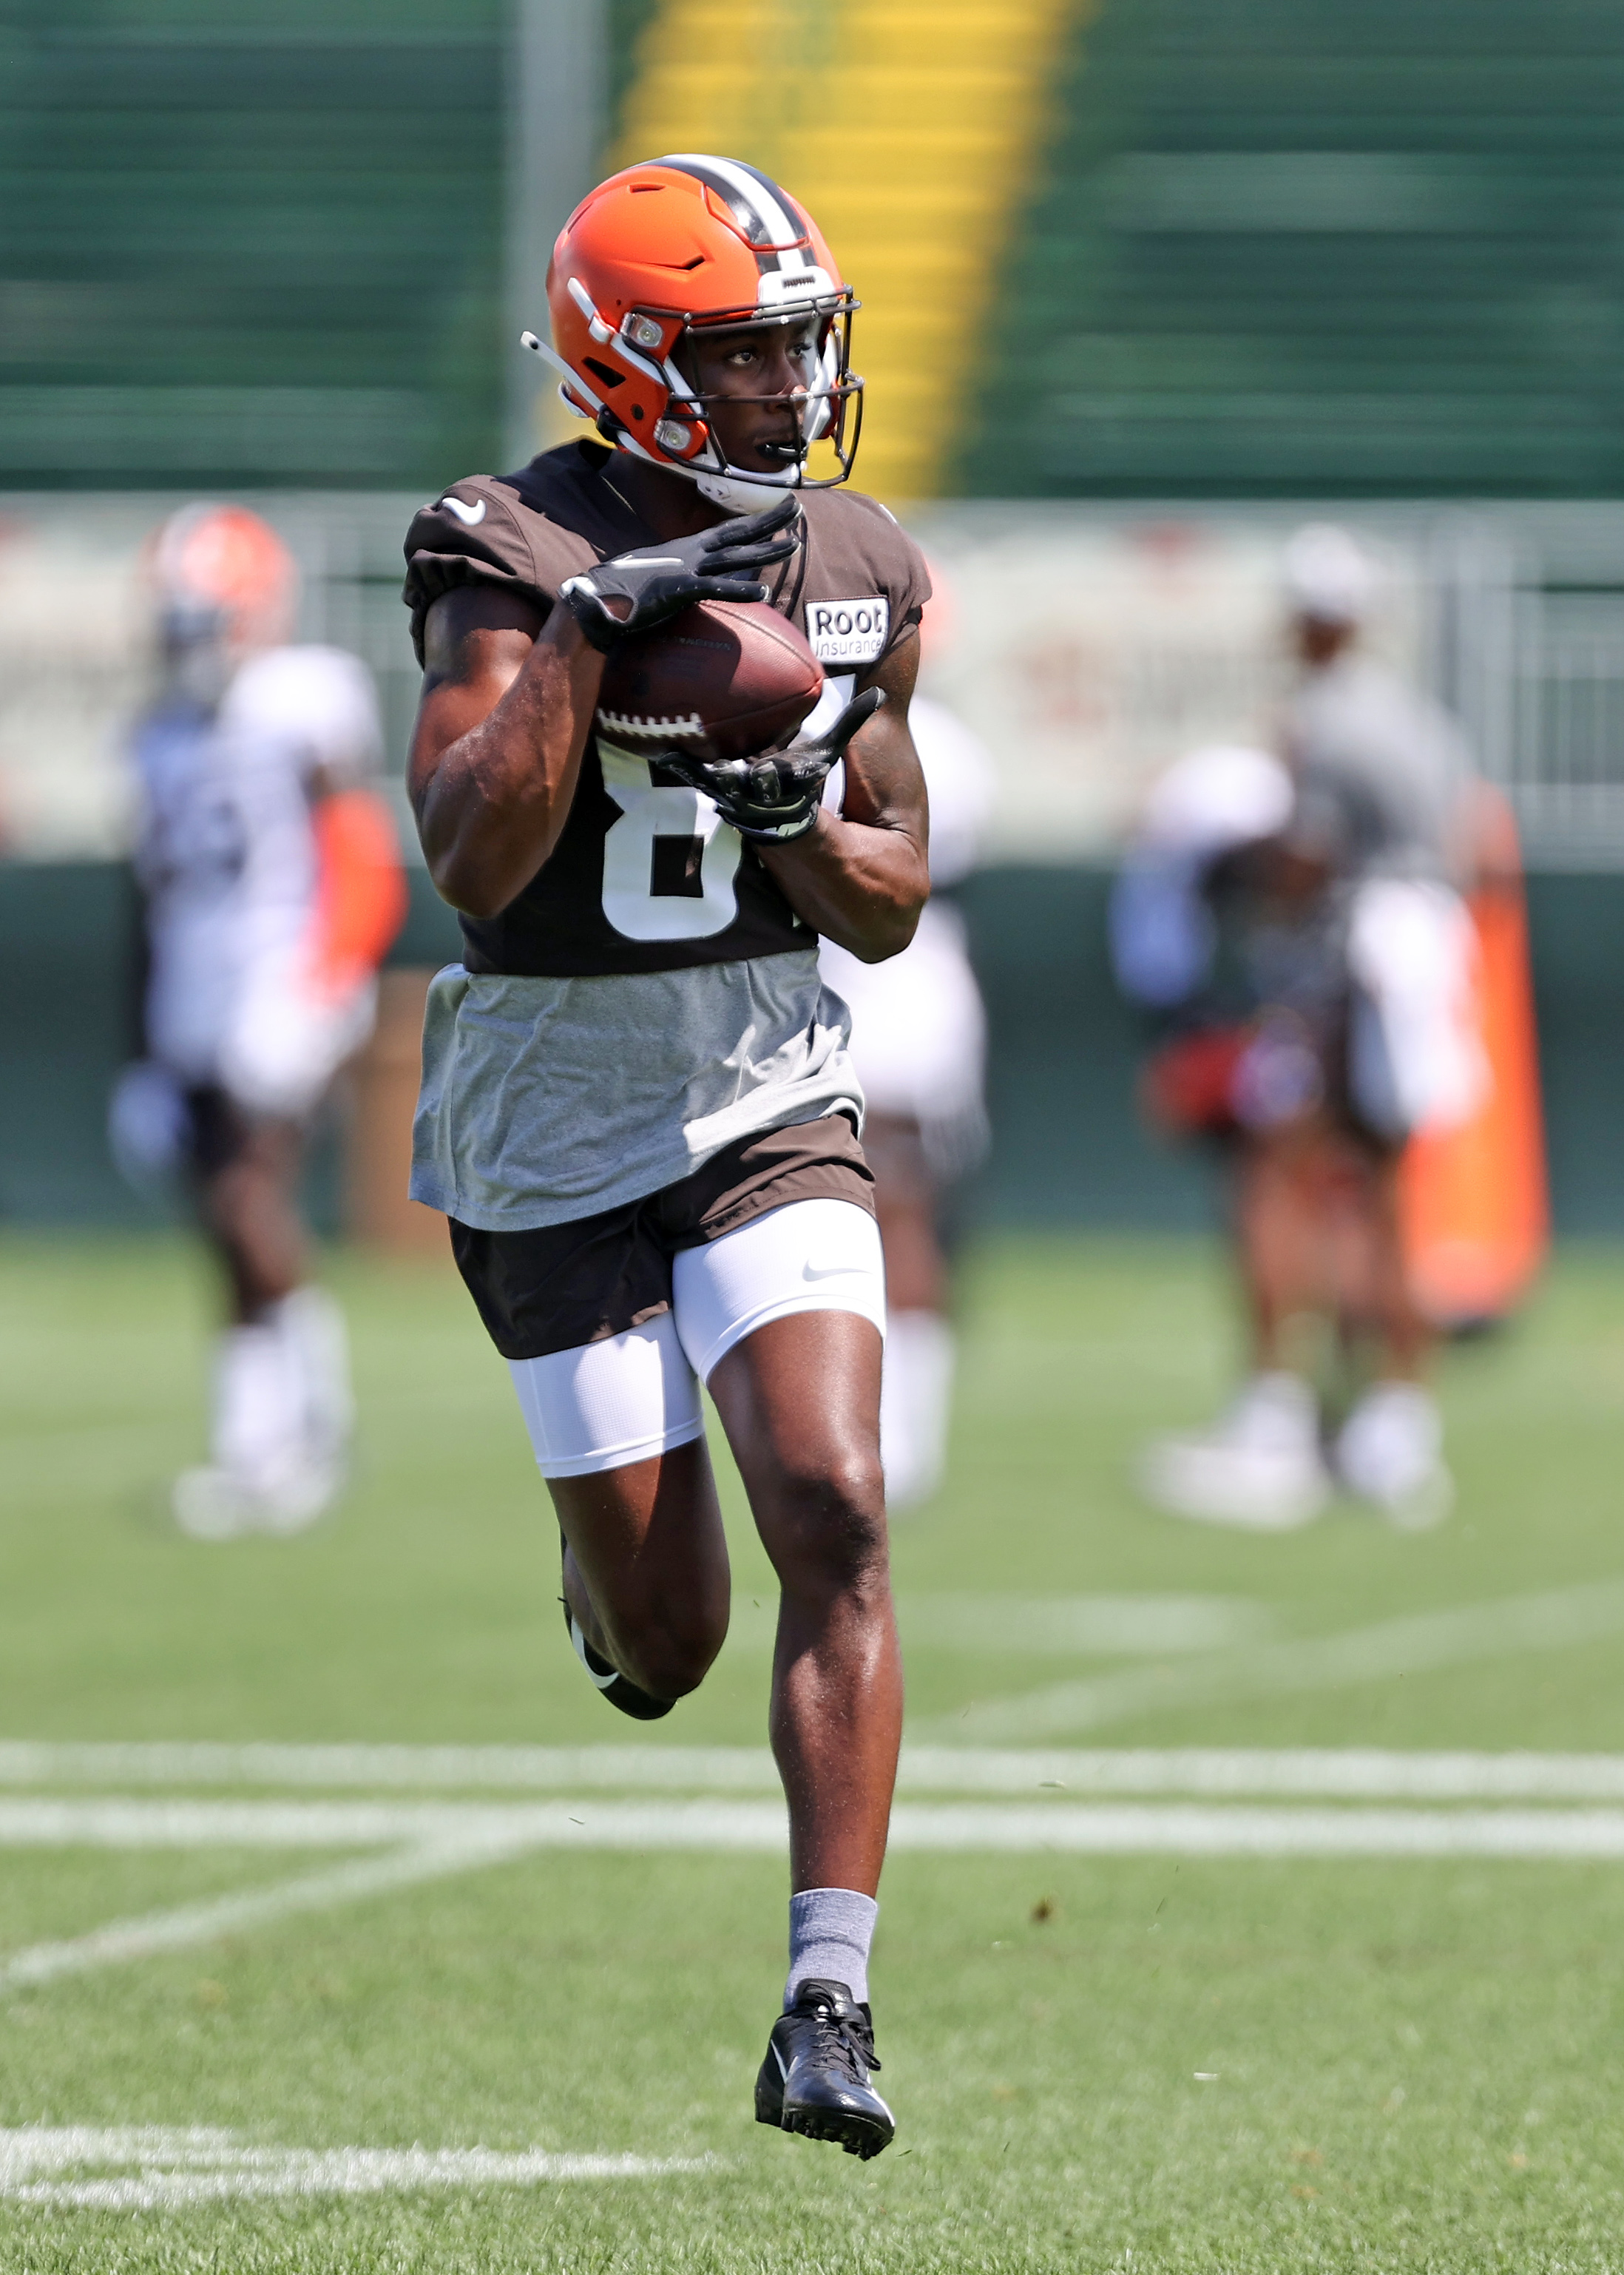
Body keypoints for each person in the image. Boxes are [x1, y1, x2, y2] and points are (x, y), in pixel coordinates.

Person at [401, 154, 931, 2158]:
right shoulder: (501, 542)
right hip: (547, 1099)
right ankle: (604, 1589)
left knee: (839, 1495)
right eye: (743, 351)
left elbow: (886, 894)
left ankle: (827, 1991)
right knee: (669, 1636)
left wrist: (789, 797)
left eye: (802, 341)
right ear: (629, 367)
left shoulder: (855, 555)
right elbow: (469, 855)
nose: (791, 384)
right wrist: (582, 645)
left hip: (763, 1078)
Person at [1114, 527, 1484, 1530]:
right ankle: (1394, 1430)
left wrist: (1230, 870)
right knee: (1386, 1193)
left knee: (1279, 1177)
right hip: (1427, 954)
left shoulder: (1320, 720)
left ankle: (1276, 1425)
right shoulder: (1420, 720)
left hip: (1354, 963)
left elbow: (1309, 858)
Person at [113, 503, 405, 1539]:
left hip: (288, 981)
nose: (188, 640)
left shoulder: (302, 698)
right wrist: (142, 1055)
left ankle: (305, 1432)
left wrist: (318, 986)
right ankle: (259, 1440)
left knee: (247, 1198)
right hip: (193, 998)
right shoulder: (155, 734)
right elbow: (148, 901)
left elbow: (362, 855)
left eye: (205, 618)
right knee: (224, 1223)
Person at [817, 654, 992, 1508]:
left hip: (884, 972)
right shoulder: (955, 738)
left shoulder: (915, 737)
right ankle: (889, 1429)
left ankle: (904, 1437)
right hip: (902, 972)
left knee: (896, 1200)